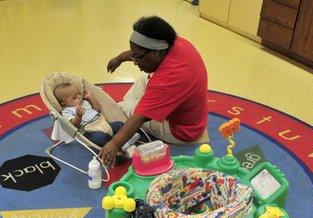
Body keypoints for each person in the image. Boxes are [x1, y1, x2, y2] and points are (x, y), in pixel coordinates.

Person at [99, 15, 208, 167]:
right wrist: (120, 58)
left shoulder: (168, 79)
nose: (135, 62)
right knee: (145, 75)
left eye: (137, 58)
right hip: (189, 111)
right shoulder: (173, 43)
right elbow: (140, 52)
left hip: (181, 130)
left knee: (120, 108)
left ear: (155, 52)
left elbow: (139, 118)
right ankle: (129, 110)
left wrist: (114, 144)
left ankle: (123, 116)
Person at [53, 82, 124, 147]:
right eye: (75, 97)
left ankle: (128, 139)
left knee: (119, 125)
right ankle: (117, 145)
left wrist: (90, 97)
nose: (79, 97)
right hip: (90, 131)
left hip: (103, 123)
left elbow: (97, 109)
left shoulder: (84, 102)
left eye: (78, 94)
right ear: (64, 104)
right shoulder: (67, 111)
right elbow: (73, 126)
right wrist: (78, 116)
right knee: (101, 138)